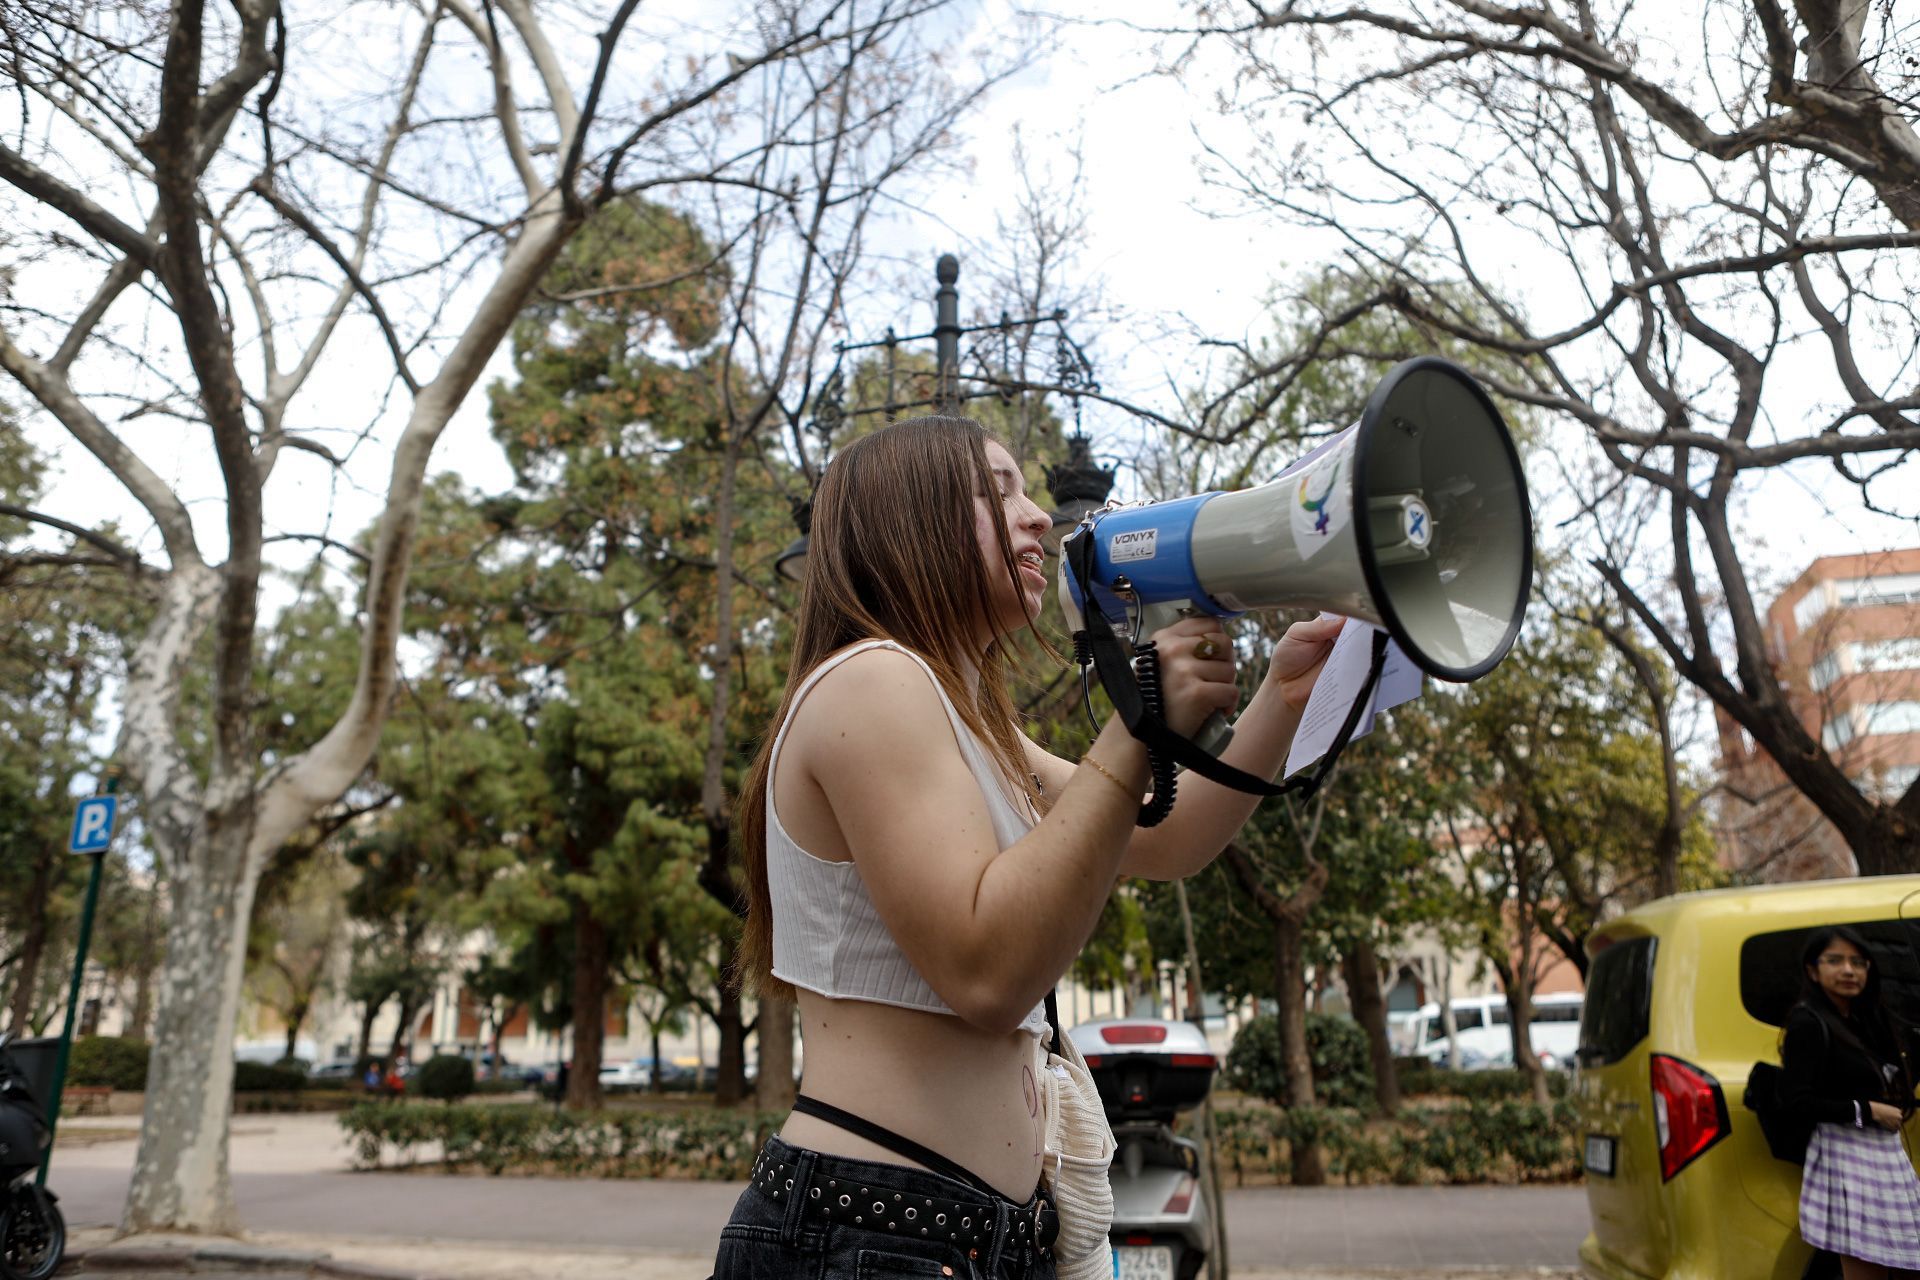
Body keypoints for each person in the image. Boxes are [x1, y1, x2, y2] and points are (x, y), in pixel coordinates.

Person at [710, 417, 1345, 1280]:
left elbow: (1164, 836)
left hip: (964, 1233)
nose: (1041, 515)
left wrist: (1287, 690)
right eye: (999, 490)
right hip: (879, 1230)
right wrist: (1139, 724)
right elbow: (988, 971)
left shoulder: (973, 722)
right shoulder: (875, 682)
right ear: (909, 520)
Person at [1782, 925, 1920, 1279]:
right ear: (1813, 970)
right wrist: (1867, 1110)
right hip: (1847, 1157)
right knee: (1864, 1270)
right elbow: (1797, 1102)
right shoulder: (1807, 1022)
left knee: (1897, 1267)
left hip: (1883, 1157)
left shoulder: (1864, 1019)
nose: (1848, 970)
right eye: (1835, 961)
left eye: (1858, 962)